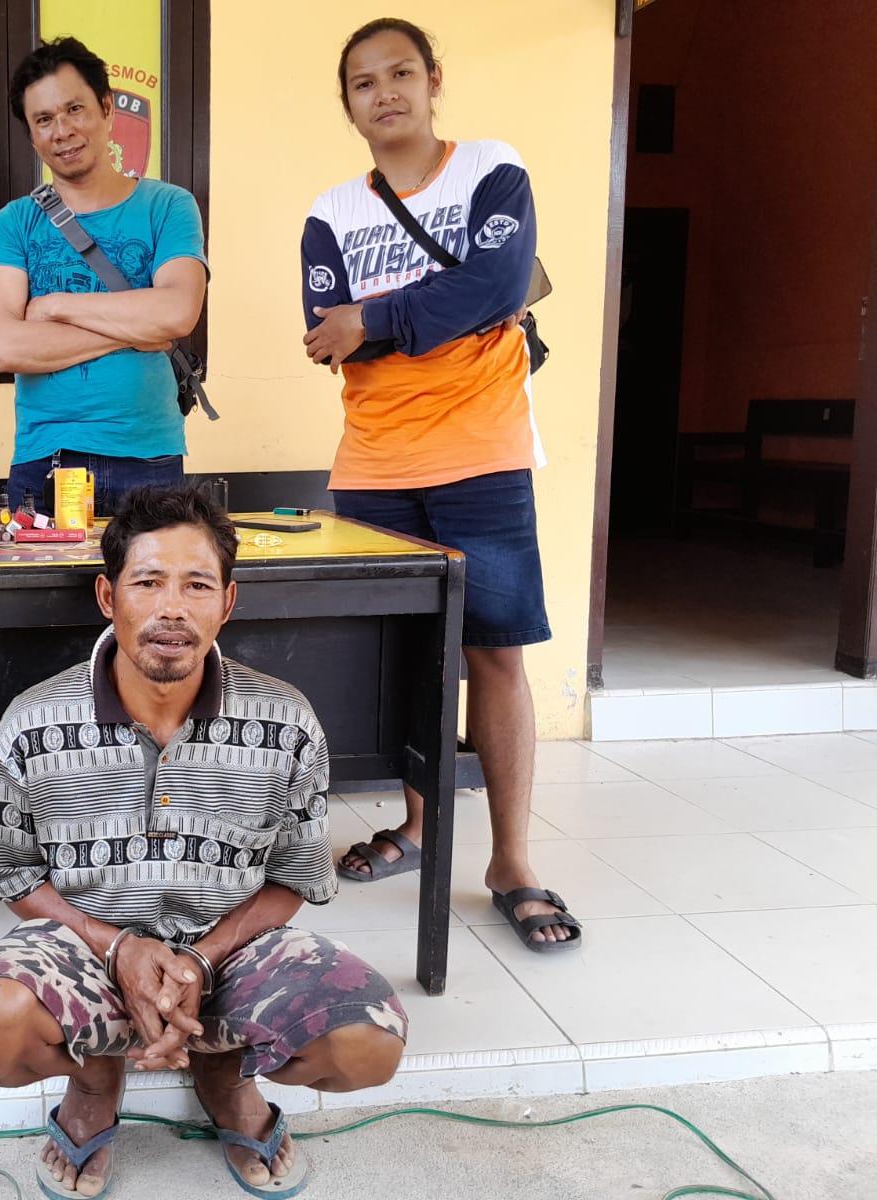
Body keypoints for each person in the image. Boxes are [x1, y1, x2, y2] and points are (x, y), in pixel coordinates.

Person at [0, 485, 406, 1200]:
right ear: (108, 597)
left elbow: (295, 875)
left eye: (197, 585)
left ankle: (226, 1069)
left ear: (227, 603)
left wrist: (200, 959)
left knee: (367, 1046)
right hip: (85, 953)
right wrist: (120, 951)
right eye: (148, 582)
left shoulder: (286, 719)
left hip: (234, 951)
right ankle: (94, 1078)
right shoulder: (33, 721)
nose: (171, 608)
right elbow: (16, 876)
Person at [299, 18, 580, 950]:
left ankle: (512, 862)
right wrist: (433, 315)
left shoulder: (491, 169)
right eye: (363, 82)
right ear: (347, 105)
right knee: (416, 658)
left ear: (433, 81)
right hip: (375, 464)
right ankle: (421, 826)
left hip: (483, 455)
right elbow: (326, 336)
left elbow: (498, 285)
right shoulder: (331, 213)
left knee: (496, 653)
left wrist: (376, 318)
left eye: (401, 73)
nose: (385, 93)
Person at [0, 37, 209, 517]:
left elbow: (177, 312)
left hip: (150, 459)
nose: (62, 130)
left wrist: (54, 306)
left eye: (74, 109)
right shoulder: (10, 225)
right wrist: (139, 330)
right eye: (44, 119)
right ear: (32, 135)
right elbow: (4, 347)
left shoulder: (169, 206)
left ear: (106, 108)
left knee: (152, 572)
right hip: (45, 462)